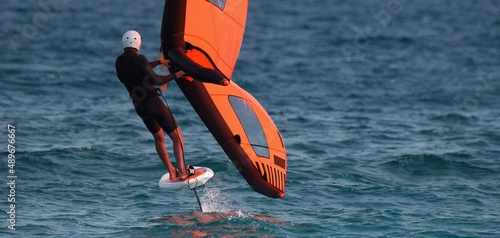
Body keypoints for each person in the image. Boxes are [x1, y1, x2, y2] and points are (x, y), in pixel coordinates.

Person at [115, 30, 189, 180]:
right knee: (177, 137)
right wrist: (177, 75)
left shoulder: (119, 61)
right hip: (153, 103)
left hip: (140, 107)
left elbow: (142, 66)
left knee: (159, 138)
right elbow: (157, 80)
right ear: (138, 43)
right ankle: (182, 172)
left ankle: (171, 171)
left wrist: (160, 62)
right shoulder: (139, 58)